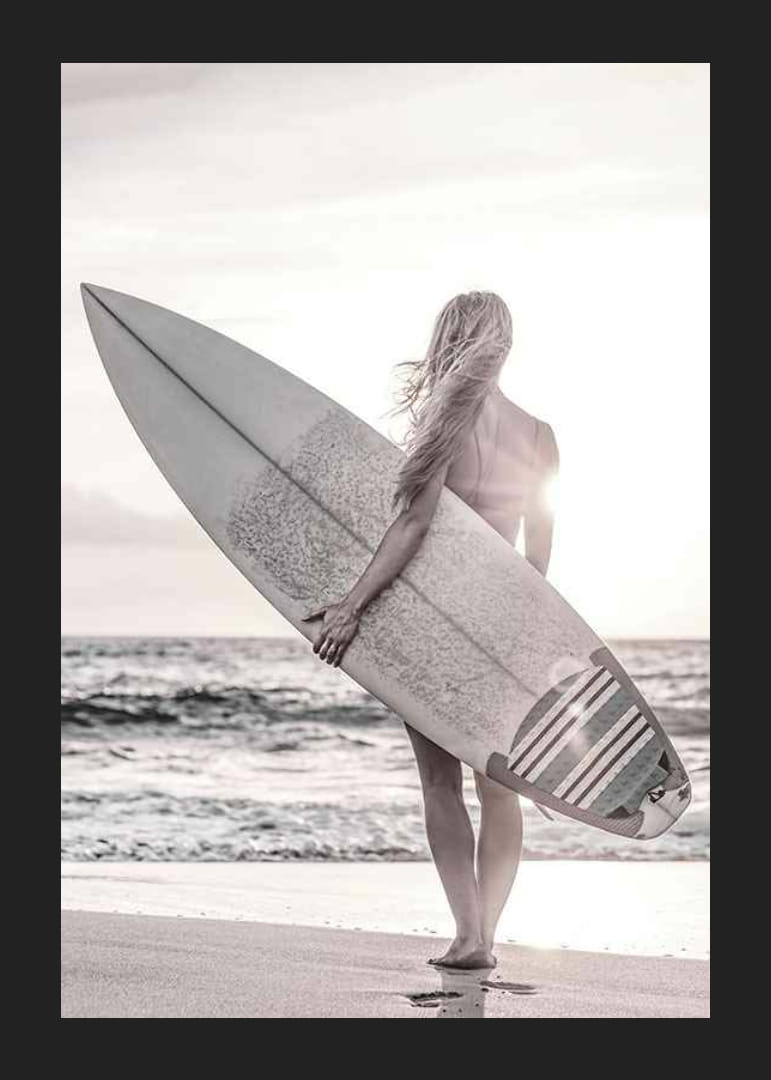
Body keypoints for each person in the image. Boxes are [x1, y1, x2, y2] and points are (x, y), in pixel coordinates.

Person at [301, 291, 559, 969]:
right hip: (503, 621)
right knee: (498, 784)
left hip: (433, 620)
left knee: (440, 782)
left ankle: (466, 934)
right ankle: (488, 936)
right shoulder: (539, 435)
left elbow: (413, 524)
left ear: (449, 340)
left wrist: (352, 605)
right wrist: (529, 642)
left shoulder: (447, 419)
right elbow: (537, 562)